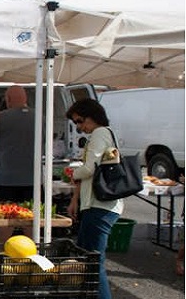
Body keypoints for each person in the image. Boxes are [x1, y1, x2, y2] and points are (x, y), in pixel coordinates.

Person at [65, 98, 123, 299]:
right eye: (76, 123)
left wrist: (74, 173)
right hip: (100, 205)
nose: (79, 127)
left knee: (93, 262)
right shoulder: (106, 133)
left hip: (101, 206)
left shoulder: (99, 133)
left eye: (80, 121)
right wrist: (75, 200)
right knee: (88, 259)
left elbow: (90, 168)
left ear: (91, 116)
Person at [0, 85, 35, 241]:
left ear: (7, 99)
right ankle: (33, 250)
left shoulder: (0, 118)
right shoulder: (40, 117)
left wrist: (4, 150)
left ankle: (4, 250)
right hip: (33, 176)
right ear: (25, 98)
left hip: (7, 176)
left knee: (6, 216)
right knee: (30, 215)